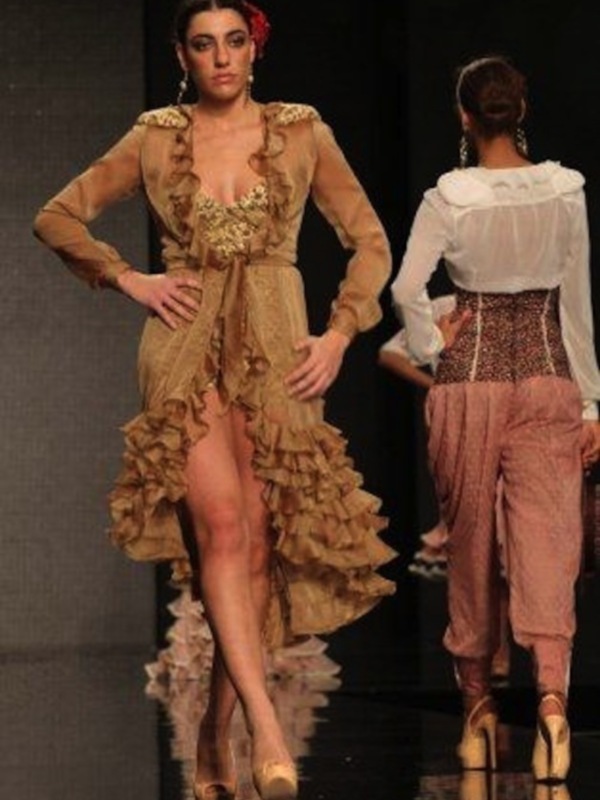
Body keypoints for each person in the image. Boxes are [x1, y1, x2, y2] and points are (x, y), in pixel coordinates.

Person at [32, 2, 397, 798]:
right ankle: (266, 730)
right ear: (183, 56)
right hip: (184, 347)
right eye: (204, 45)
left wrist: (339, 334)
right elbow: (56, 216)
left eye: (234, 41)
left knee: (255, 547)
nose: (222, 58)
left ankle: (211, 737)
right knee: (223, 527)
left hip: (278, 347)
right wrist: (130, 278)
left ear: (254, 49)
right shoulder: (155, 137)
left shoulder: (301, 131)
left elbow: (370, 240)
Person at [390, 55, 600, 781]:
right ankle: (551, 705)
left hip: (469, 385)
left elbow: (405, 289)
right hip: (548, 380)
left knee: (472, 545)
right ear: (521, 109)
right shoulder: (565, 192)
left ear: (464, 117)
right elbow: (577, 304)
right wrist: (592, 402)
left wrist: (429, 342)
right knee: (549, 540)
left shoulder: (450, 198)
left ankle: (478, 710)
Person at [378, 296, 512, 686]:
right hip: (460, 431)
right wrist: (436, 385)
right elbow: (389, 353)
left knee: (504, 541)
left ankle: (498, 649)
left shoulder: (510, 302)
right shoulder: (445, 306)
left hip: (508, 428)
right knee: (471, 542)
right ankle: (478, 649)